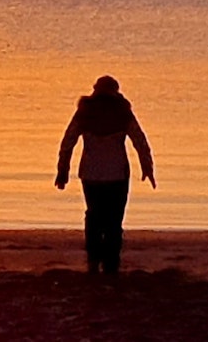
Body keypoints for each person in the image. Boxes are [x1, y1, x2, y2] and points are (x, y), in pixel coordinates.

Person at [56, 76, 156, 275]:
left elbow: (68, 142)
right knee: (114, 219)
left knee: (94, 216)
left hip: (91, 174)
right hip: (117, 174)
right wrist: (147, 167)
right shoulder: (122, 112)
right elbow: (140, 140)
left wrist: (63, 171)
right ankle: (111, 263)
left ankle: (93, 260)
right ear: (115, 91)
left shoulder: (85, 112)